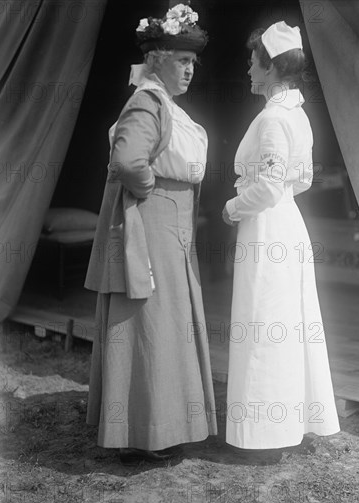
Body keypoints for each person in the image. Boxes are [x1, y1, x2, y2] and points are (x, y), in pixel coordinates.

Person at [85, 4, 217, 463]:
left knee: (166, 326)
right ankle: (143, 433)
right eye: (182, 60)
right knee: (150, 323)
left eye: (193, 63)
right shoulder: (146, 101)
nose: (189, 70)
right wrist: (150, 192)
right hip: (154, 224)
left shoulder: (165, 104)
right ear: (157, 57)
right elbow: (126, 162)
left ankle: (161, 426)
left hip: (172, 227)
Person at [222, 21, 340, 457]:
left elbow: (270, 185)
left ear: (271, 68)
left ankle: (263, 434)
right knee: (285, 324)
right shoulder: (298, 114)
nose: (249, 69)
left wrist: (234, 207)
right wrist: (274, 192)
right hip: (287, 223)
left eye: (254, 62)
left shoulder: (273, 117)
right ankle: (284, 423)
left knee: (263, 321)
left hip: (268, 225)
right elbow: (302, 178)